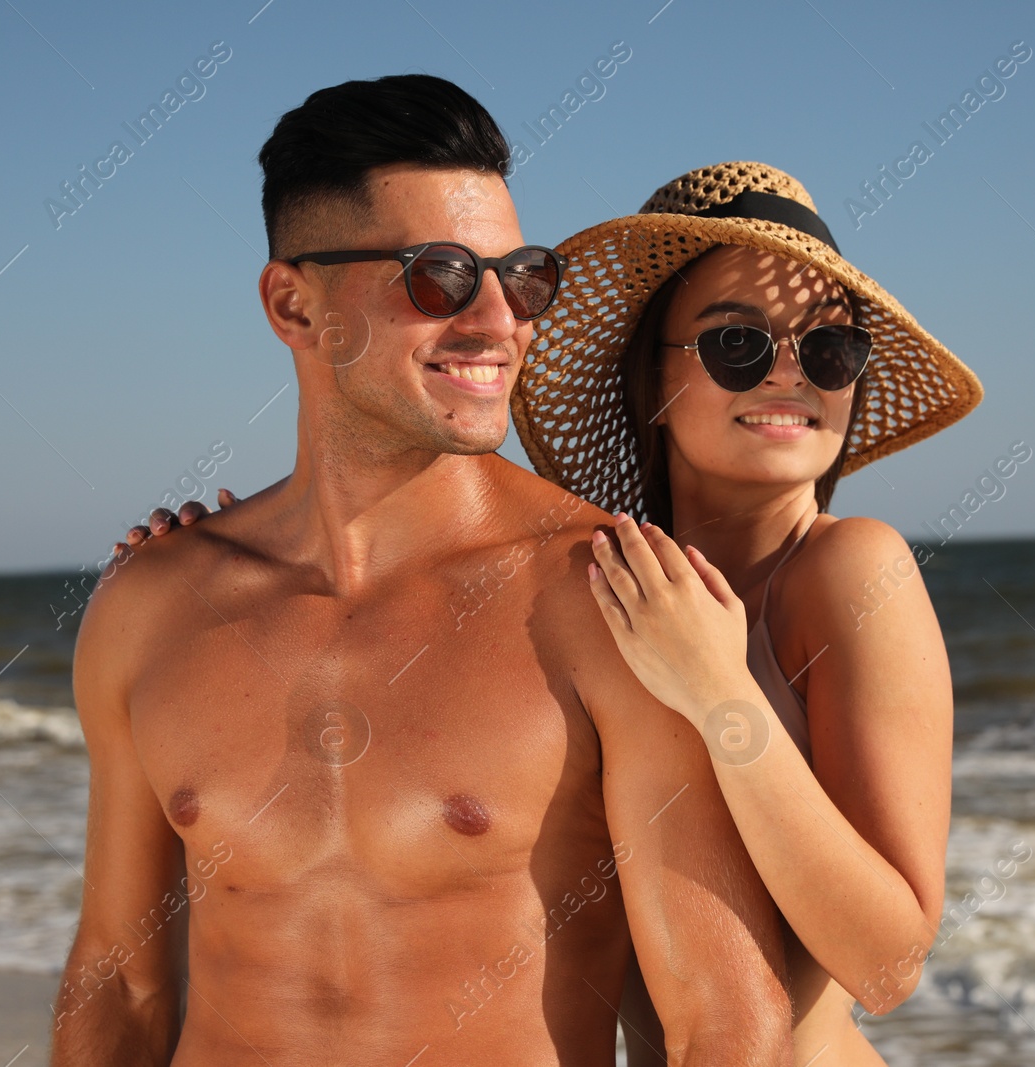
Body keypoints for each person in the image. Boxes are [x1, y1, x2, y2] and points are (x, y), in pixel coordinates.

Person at [51, 80, 793, 1067]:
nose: (498, 321)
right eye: (438, 275)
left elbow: (727, 1019)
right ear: (293, 303)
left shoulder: (609, 595)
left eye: (523, 276)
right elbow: (120, 981)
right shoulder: (151, 603)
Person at [516, 162, 981, 1064]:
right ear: (650, 378)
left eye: (829, 350)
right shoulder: (592, 593)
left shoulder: (848, 571)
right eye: (737, 343)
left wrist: (718, 690)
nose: (789, 375)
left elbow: (888, 965)